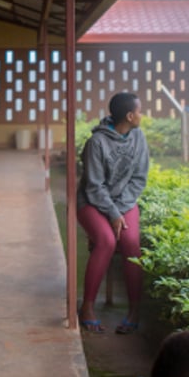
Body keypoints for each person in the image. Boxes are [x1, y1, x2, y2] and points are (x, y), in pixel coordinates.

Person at [77, 92, 149, 335]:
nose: (142, 115)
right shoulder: (96, 143)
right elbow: (93, 186)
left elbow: (139, 179)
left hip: (124, 202)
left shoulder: (138, 137)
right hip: (91, 202)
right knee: (107, 241)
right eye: (139, 110)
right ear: (129, 116)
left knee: (131, 242)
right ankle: (87, 307)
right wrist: (112, 213)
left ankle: (135, 311)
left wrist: (120, 210)